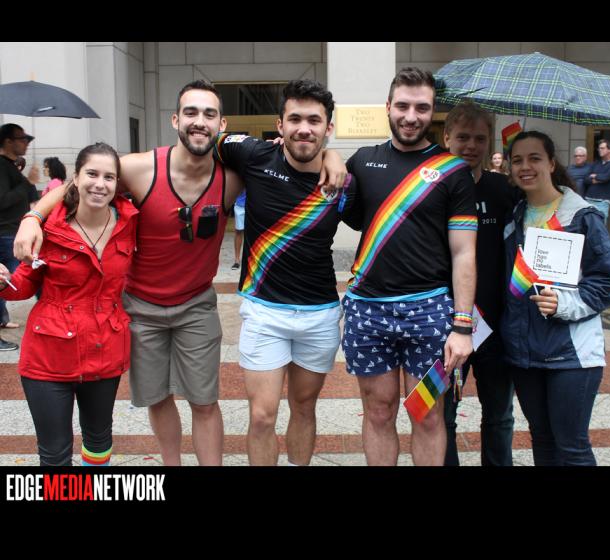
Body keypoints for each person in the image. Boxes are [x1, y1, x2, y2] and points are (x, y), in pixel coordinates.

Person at [13, 80, 347, 466]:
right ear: (175, 120)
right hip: (142, 308)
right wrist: (33, 216)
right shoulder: (139, 168)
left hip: (197, 305)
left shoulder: (234, 175)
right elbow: (86, 178)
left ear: (222, 125)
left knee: (205, 401)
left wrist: (332, 155)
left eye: (209, 114)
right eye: (191, 112)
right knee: (159, 398)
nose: (199, 121)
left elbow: (303, 151)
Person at [213, 79, 355, 466]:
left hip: (319, 314)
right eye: (295, 119)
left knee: (304, 408)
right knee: (262, 415)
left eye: (314, 120)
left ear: (328, 127)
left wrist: (334, 156)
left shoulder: (344, 182)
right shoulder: (253, 155)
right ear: (280, 125)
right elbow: (207, 141)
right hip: (264, 312)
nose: (303, 128)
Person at [343, 67, 477, 466]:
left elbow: (464, 253)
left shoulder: (453, 171)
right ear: (387, 106)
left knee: (428, 414)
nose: (410, 116)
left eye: (422, 108)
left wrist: (462, 326)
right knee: (378, 412)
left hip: (430, 312)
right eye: (402, 106)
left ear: (433, 112)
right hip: (368, 310)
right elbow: (334, 201)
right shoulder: (362, 162)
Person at [0, 142, 138, 466]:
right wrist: (4, 282)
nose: (100, 184)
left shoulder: (131, 224)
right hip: (48, 354)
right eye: (92, 174)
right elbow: (23, 285)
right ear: (75, 177)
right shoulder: (50, 227)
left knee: (99, 441)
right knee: (55, 454)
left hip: (105, 348)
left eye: (109, 177)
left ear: (117, 184)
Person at [502, 130, 610, 466]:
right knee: (542, 439)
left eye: (535, 158)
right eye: (517, 160)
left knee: (572, 448)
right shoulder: (515, 216)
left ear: (552, 163)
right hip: (526, 353)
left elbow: (608, 277)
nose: (525, 166)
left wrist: (564, 304)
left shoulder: (581, 216)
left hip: (571, 355)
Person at [442, 101, 517, 466]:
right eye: (463, 137)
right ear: (446, 138)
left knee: (500, 417)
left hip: (497, 328)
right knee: (442, 417)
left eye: (480, 138)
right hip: (446, 327)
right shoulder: (432, 189)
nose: (471, 145)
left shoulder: (504, 190)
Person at [0, 124, 39, 344]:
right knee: (11, 280)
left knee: (9, 281)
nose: (26, 142)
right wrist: (28, 183)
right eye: (22, 138)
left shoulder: (11, 166)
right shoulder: (1, 166)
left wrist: (28, 182)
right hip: (5, 233)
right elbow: (3, 201)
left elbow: (29, 196)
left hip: (14, 232)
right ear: (8, 141)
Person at [584, 139, 610, 225]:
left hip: (603, 201)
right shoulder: (596, 163)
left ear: (609, 149)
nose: (599, 150)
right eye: (599, 148)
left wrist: (595, 176)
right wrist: (598, 179)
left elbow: (606, 177)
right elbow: (586, 179)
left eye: (602, 148)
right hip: (588, 200)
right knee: (587, 225)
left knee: (599, 226)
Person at [232, 189, 246, 270]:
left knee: (254, 231)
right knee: (238, 231)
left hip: (255, 205)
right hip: (240, 205)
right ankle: (237, 260)